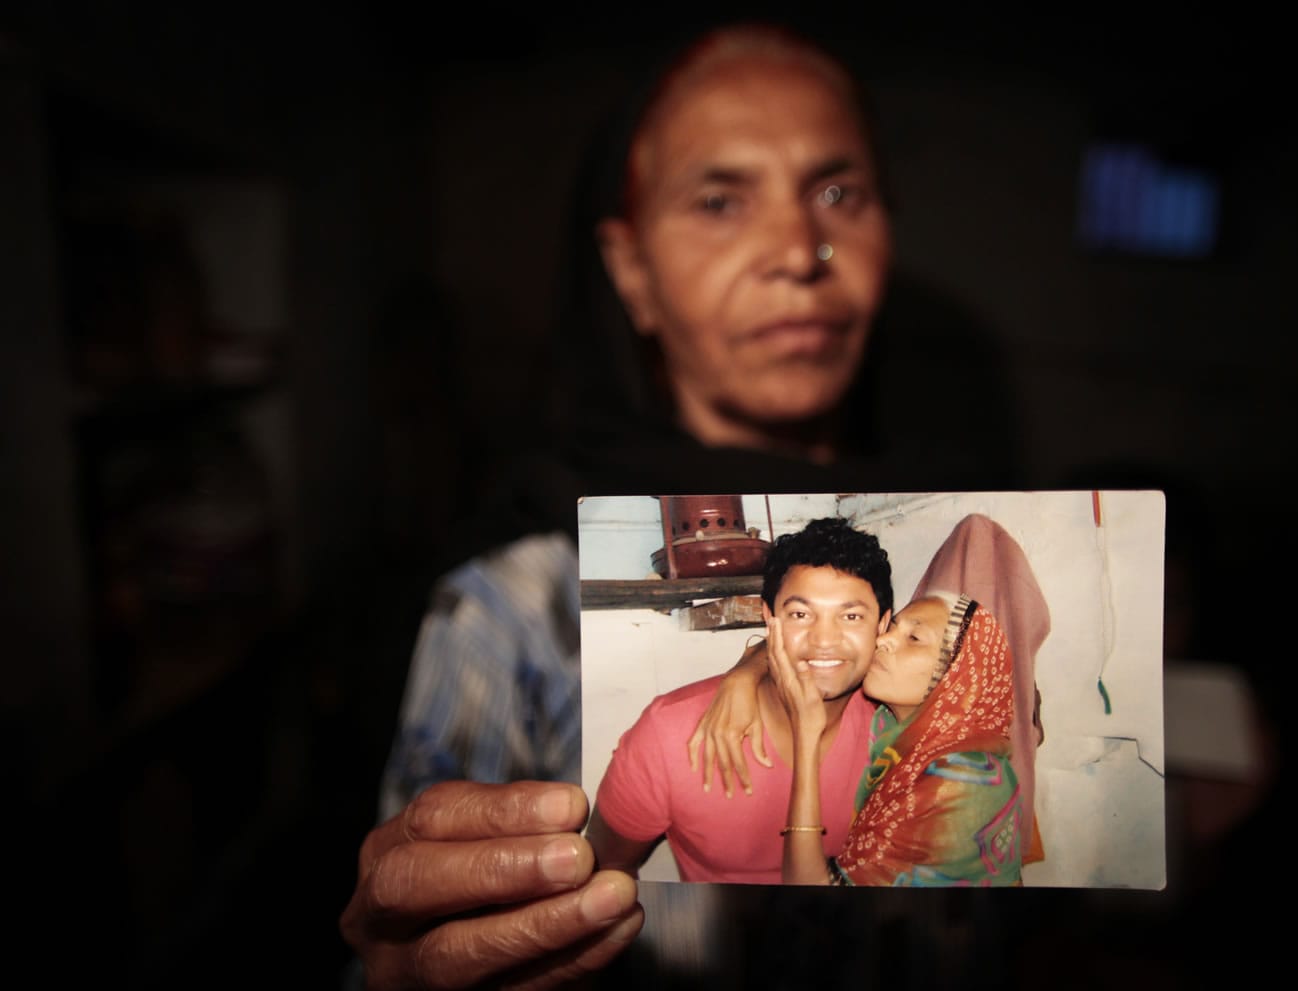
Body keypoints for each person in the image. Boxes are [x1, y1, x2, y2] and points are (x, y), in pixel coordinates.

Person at [341, 19, 1022, 990]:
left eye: (839, 191)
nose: (799, 248)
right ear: (631, 273)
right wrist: (407, 970)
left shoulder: (953, 563)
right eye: (718, 199)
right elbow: (420, 948)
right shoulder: (518, 608)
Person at [586, 516, 893, 882]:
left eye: (851, 616)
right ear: (769, 618)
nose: (824, 639)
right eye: (800, 614)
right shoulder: (669, 735)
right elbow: (607, 866)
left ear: (883, 625)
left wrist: (748, 667)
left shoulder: (895, 728)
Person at [770, 591, 1025, 886]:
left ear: (958, 676)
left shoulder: (965, 779)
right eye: (894, 627)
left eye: (914, 638)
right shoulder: (891, 730)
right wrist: (745, 672)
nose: (883, 640)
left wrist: (806, 734)